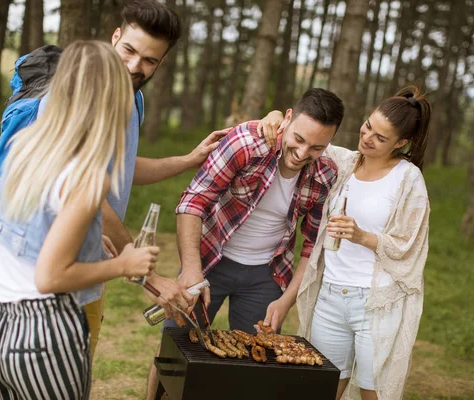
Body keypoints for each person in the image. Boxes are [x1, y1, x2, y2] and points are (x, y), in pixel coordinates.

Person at [0, 0, 227, 360]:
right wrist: (149, 278)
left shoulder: (133, 99)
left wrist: (189, 159)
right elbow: (89, 197)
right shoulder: (77, 98)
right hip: (52, 276)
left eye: (149, 60)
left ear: (162, 62)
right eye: (129, 51)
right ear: (115, 36)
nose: (135, 66)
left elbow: (120, 169)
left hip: (88, 269)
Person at [0, 40, 175, 399]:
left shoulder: (26, 147)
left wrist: (69, 234)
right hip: (46, 340)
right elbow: (50, 276)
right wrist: (124, 263)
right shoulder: (86, 175)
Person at [145, 88, 344, 398]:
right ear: (287, 118)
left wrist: (285, 300)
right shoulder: (245, 144)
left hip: (267, 276)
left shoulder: (326, 173)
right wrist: (191, 271)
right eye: (299, 140)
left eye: (317, 147)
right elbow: (193, 202)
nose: (303, 154)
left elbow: (311, 245)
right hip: (209, 261)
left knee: (255, 370)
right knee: (175, 352)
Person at [291, 87, 431, 400]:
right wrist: (275, 117)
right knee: (324, 386)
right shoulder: (346, 163)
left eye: (381, 138)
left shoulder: (408, 179)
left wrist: (362, 236)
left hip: (374, 303)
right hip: (330, 296)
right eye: (368, 126)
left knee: (373, 391)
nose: (367, 138)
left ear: (402, 142)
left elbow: (410, 246)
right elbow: (303, 137)